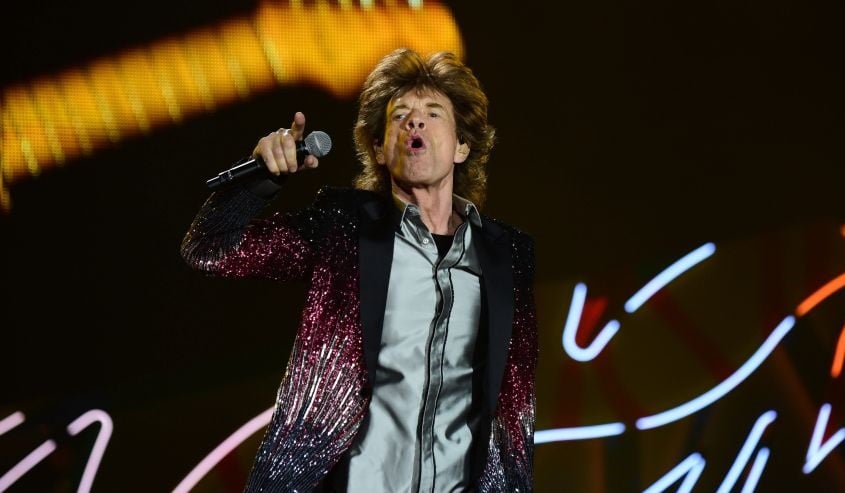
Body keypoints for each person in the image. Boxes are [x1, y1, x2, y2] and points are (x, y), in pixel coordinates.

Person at [181, 48, 538, 492]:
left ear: (462, 145)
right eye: (400, 115)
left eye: (433, 112)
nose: (415, 122)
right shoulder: (342, 230)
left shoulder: (509, 256)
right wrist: (263, 180)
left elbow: (512, 409)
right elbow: (210, 249)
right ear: (378, 148)